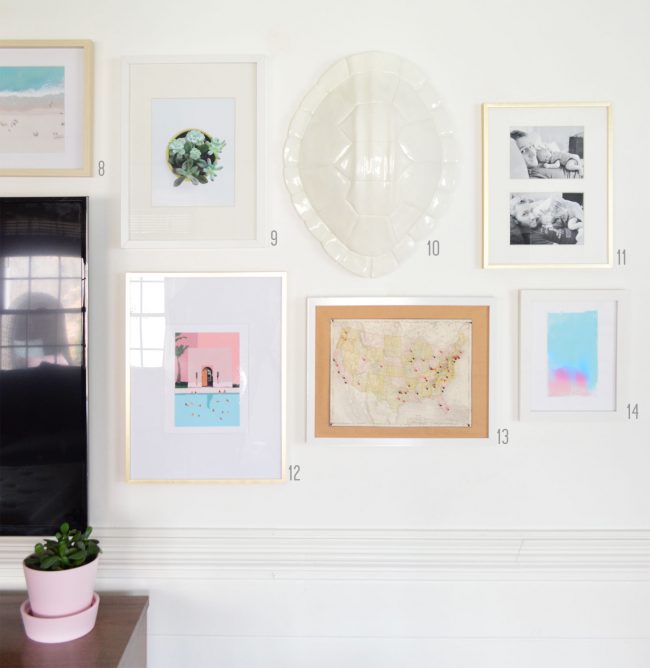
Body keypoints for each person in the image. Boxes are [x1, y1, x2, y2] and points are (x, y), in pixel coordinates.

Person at [510, 130, 583, 179]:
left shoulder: (542, 159)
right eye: (523, 151)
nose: (532, 153)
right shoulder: (534, 174)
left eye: (531, 146)